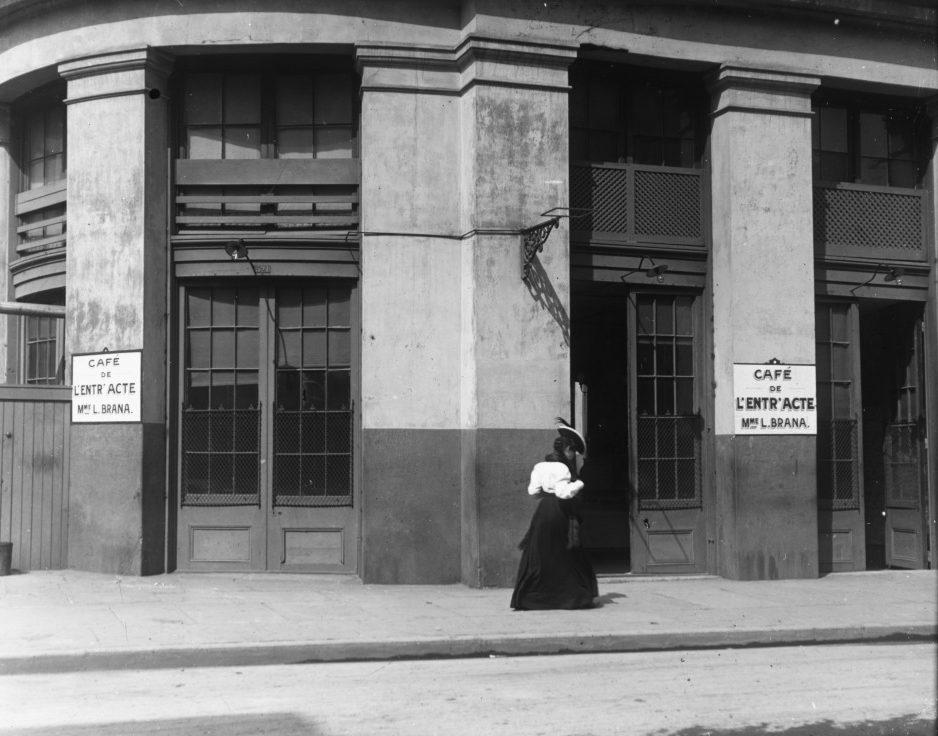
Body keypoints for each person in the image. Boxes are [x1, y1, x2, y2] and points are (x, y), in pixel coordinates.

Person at [510, 422, 599, 610]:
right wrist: (579, 484)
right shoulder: (562, 468)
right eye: (572, 452)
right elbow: (563, 493)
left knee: (542, 554)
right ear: (567, 449)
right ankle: (568, 597)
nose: (573, 456)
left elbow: (533, 492)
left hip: (543, 512)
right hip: (560, 512)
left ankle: (532, 597)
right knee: (564, 554)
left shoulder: (540, 466)